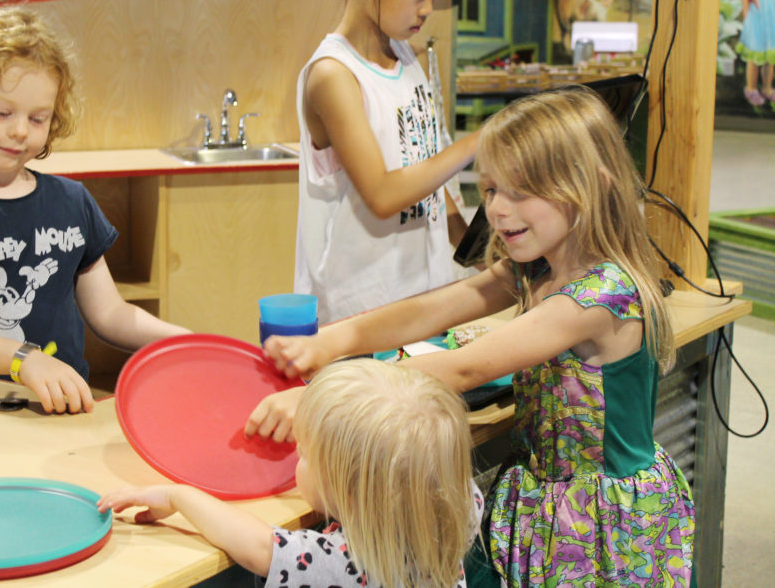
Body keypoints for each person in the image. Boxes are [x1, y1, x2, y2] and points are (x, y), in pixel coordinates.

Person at [247, 87, 695, 586]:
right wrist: (333, 339)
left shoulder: (601, 295)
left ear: (589, 186)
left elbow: (466, 367)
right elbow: (437, 307)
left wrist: (323, 398)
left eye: (520, 191)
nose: (498, 209)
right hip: (546, 501)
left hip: (601, 523)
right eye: (490, 189)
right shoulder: (536, 269)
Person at [0, 7, 189, 414]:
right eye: (2, 112)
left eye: (37, 118)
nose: (19, 131)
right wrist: (23, 360)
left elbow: (110, 313)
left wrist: (184, 339)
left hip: (59, 411)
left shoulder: (72, 201)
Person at [99, 359, 482, 588]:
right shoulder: (460, 509)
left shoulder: (349, 564)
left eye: (305, 454)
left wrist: (177, 495)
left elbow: (258, 546)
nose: (296, 456)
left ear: (348, 491)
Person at [296, 0, 479, 324]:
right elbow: (382, 194)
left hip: (424, 299)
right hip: (359, 313)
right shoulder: (333, 74)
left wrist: (474, 249)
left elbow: (423, 177)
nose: (428, 9)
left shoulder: (405, 57)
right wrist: (478, 141)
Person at [737, 0, 775, 106]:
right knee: (754, 57)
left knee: (769, 58)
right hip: (756, 21)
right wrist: (746, 20)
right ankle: (751, 88)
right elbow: (745, 0)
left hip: (771, 22)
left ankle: (767, 88)